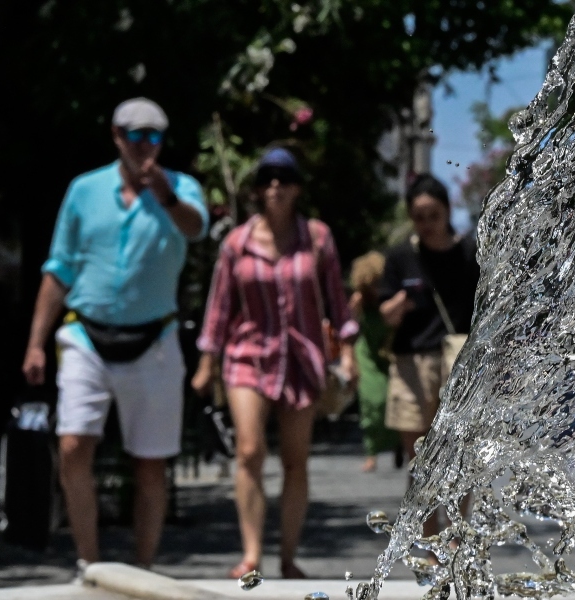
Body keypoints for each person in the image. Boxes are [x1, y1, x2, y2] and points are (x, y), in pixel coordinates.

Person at [21, 98, 208, 575]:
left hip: (155, 340)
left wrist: (165, 196)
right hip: (86, 334)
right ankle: (90, 563)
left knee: (150, 464)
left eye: (155, 137)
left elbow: (196, 230)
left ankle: (142, 568)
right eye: (136, 135)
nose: (145, 145)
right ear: (116, 136)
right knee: (72, 446)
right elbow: (59, 268)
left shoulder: (182, 189)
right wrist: (35, 342)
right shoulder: (84, 190)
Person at [191, 147, 358, 579]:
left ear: (297, 187)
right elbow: (219, 307)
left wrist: (350, 352)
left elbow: (338, 304)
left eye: (284, 178)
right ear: (257, 189)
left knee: (295, 460)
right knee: (248, 450)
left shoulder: (318, 239)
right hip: (248, 355)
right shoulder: (237, 243)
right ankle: (251, 554)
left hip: (302, 357)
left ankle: (287, 556)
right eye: (267, 178)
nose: (275, 186)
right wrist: (206, 364)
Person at [379, 174, 479, 534]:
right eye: (419, 217)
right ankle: (429, 540)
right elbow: (385, 313)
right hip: (411, 363)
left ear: (447, 210)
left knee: (460, 455)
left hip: (458, 364)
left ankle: (455, 536)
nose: (426, 224)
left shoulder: (469, 253)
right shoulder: (402, 257)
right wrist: (405, 298)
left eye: (432, 215)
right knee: (419, 460)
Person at [348, 251, 399, 472]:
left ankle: (399, 444)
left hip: (389, 353)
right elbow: (349, 329)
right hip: (367, 354)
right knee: (372, 402)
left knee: (394, 400)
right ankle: (371, 452)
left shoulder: (389, 297)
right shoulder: (359, 300)